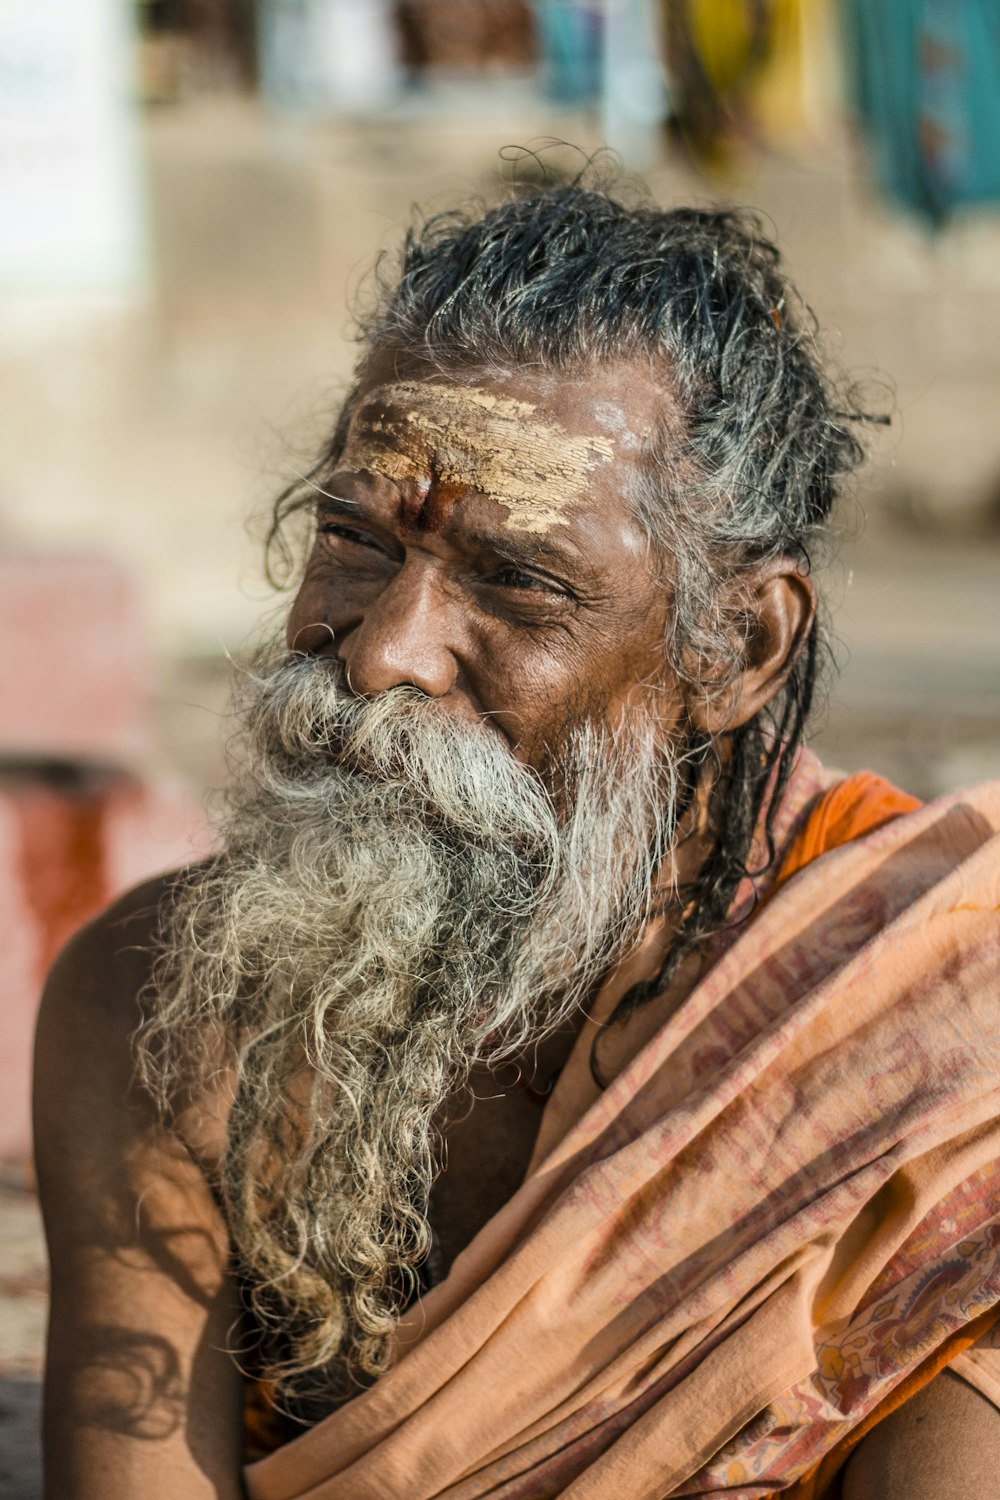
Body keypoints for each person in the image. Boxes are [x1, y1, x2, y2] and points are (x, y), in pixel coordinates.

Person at [34, 185, 1000, 1500]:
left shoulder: (938, 1047)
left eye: (517, 580)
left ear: (738, 648)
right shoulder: (164, 1008)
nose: (384, 654)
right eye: (356, 540)